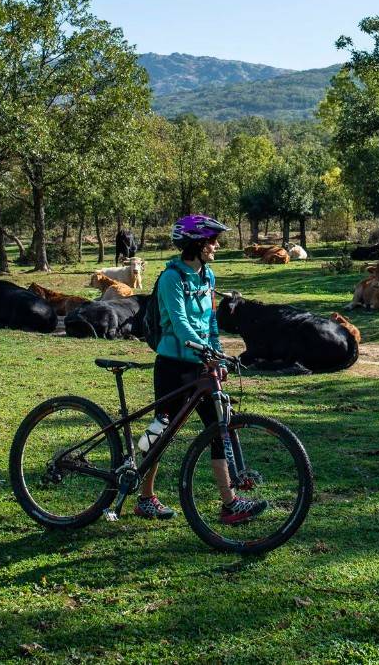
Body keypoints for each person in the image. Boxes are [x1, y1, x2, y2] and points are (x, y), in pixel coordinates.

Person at [135, 214, 268, 525]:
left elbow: (209, 323)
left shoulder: (208, 276)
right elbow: (180, 324)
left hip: (203, 363)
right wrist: (205, 353)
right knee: (162, 432)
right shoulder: (171, 278)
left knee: (220, 428)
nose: (216, 246)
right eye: (211, 240)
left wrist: (217, 356)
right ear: (195, 243)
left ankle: (230, 503)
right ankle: (144, 496)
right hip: (174, 364)